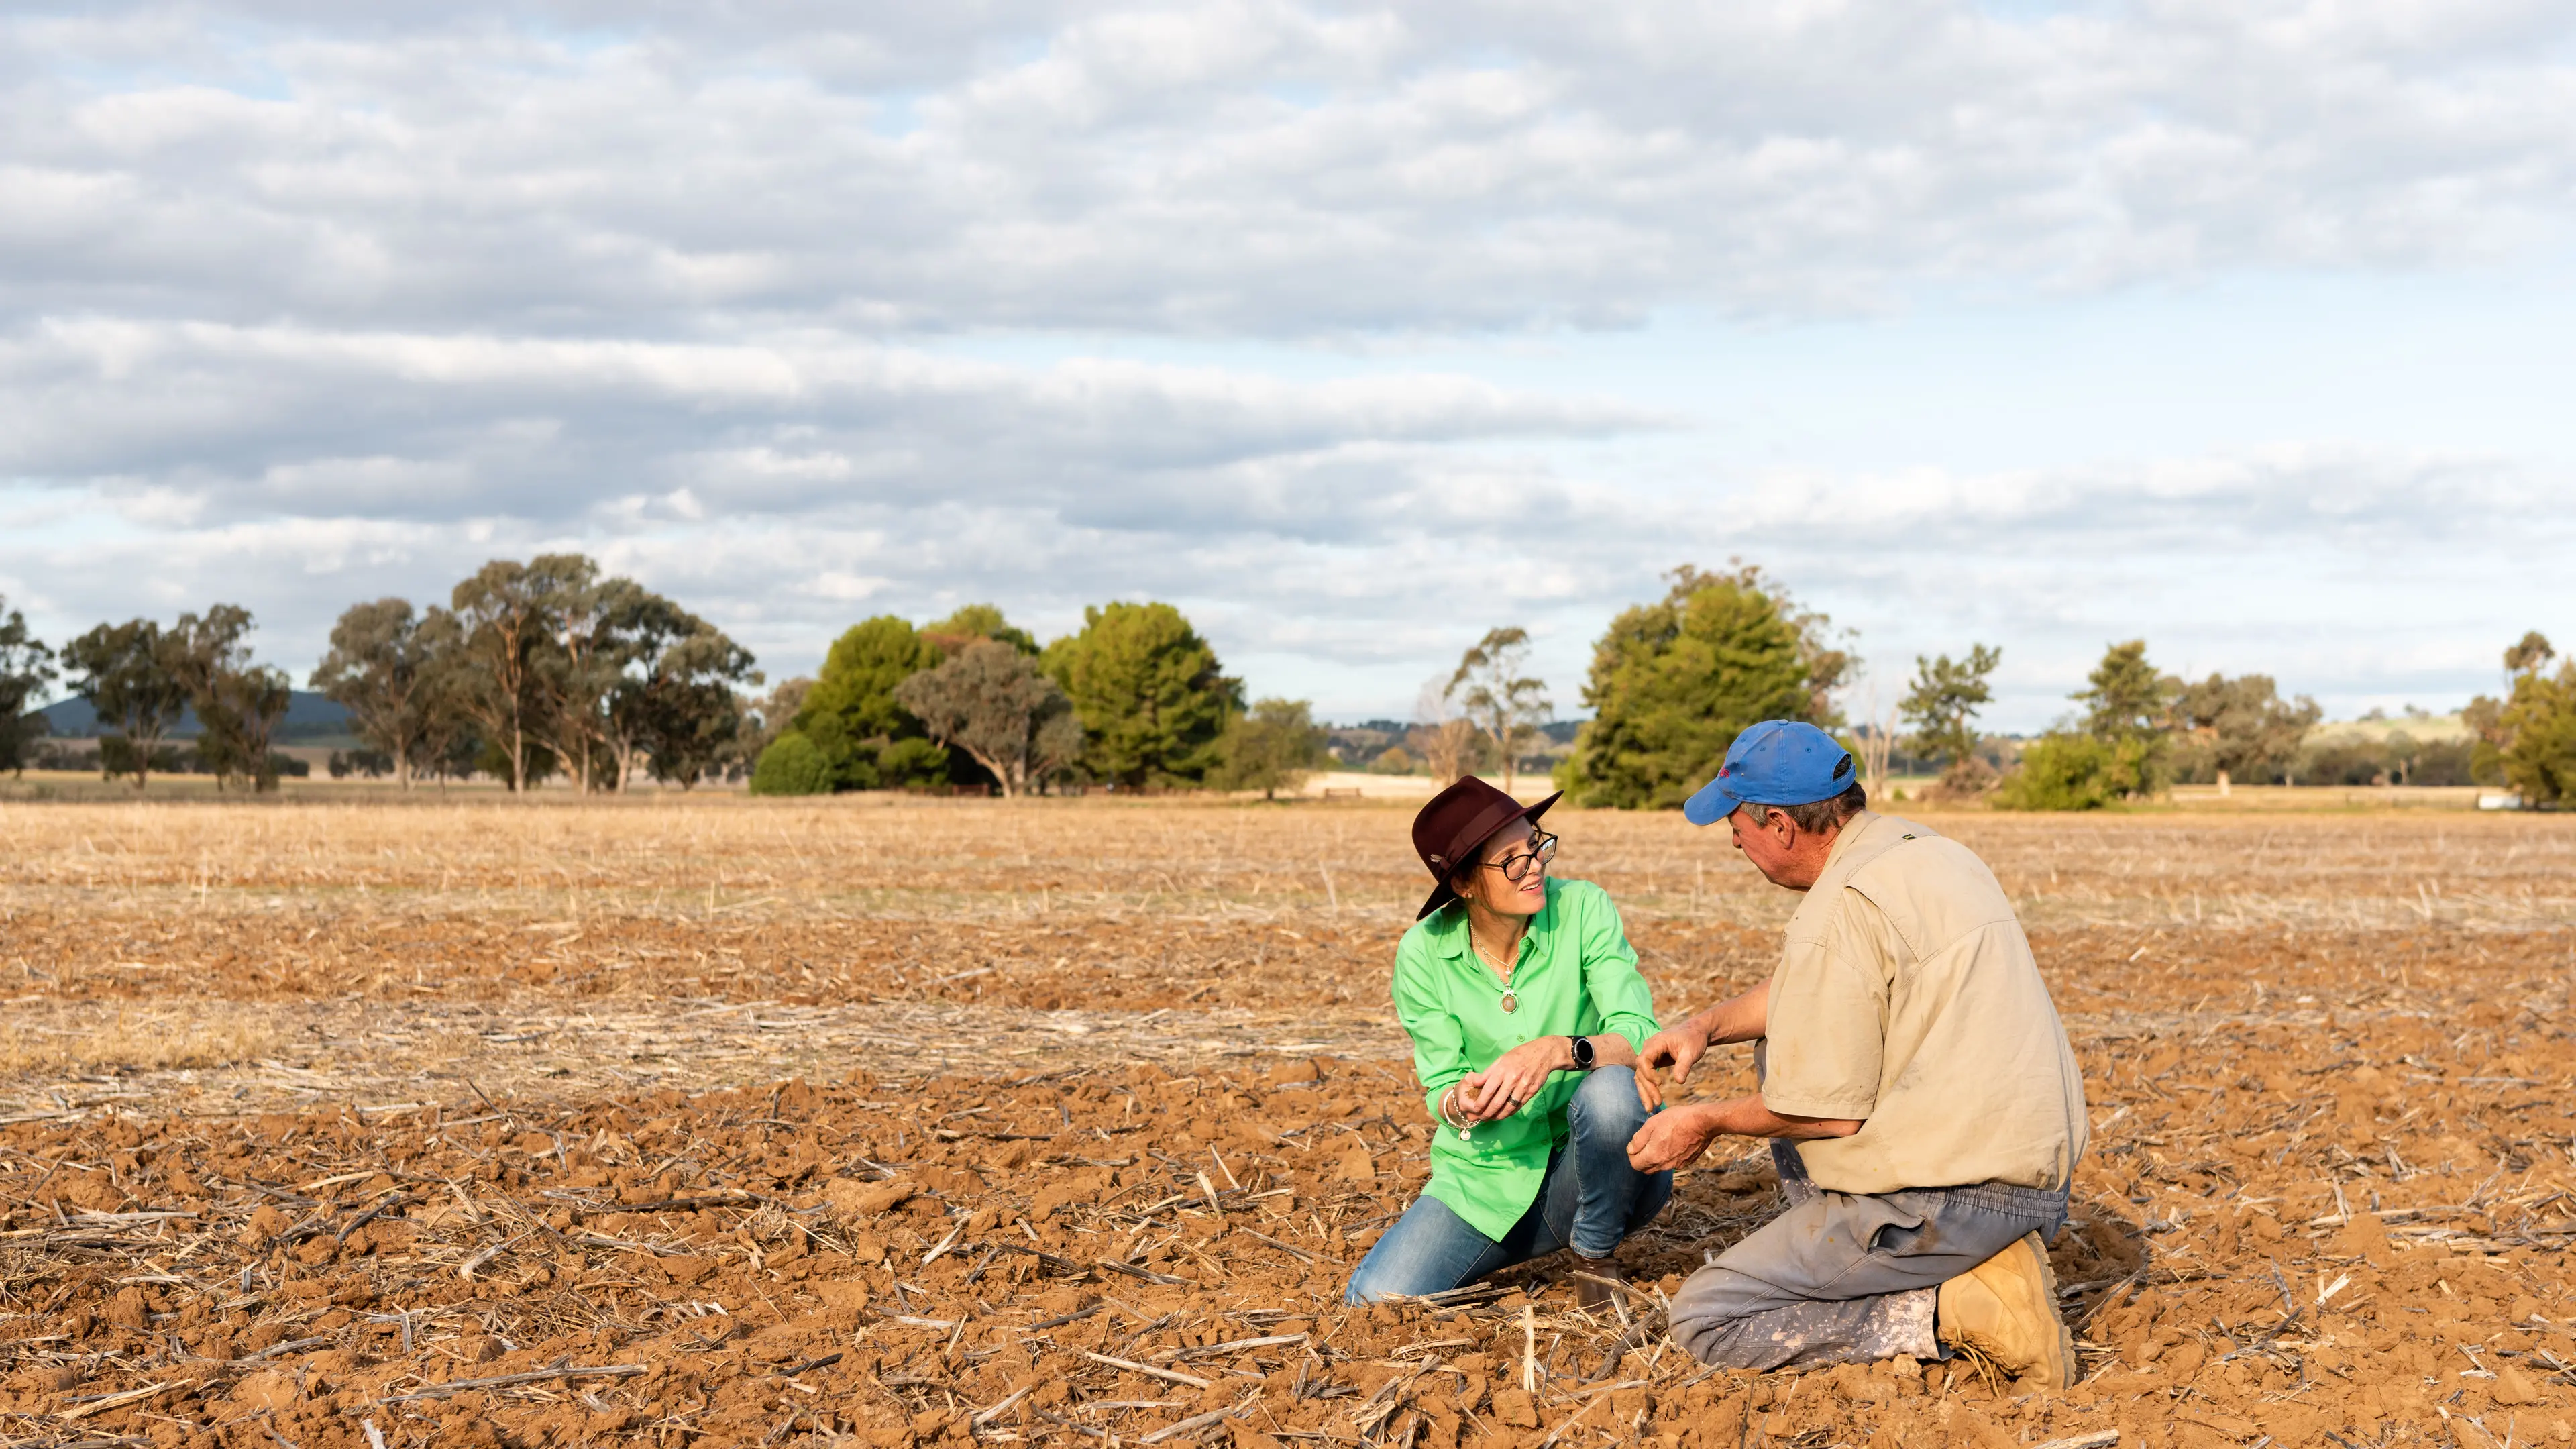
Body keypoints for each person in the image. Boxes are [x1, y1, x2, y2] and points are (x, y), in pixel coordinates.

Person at [1624, 721, 2089, 1387]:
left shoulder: (1839, 909)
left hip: (1953, 1206)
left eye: (1736, 825)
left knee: (1707, 1319)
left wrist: (1706, 1120)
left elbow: (1827, 1117)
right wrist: (1706, 1025)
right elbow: (1811, 991)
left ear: (1781, 826)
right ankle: (1960, 1264)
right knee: (1786, 1033)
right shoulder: (1929, 853)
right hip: (2038, 1184)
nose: (1733, 841)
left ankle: (1957, 1309)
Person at [1346, 777, 1670, 1310]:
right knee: (1372, 1301)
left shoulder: (1584, 907)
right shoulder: (1422, 954)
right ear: (1466, 885)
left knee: (1613, 1090)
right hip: (1485, 1180)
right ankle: (1524, 1239)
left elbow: (1640, 1037)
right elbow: (1441, 1089)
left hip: (1600, 1168)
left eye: (1536, 844)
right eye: (1512, 860)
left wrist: (1556, 1050)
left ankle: (1594, 1258)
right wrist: (1464, 1103)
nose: (1536, 865)